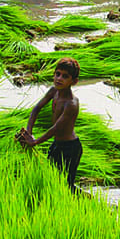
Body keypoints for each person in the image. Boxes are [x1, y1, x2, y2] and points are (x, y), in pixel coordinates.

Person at [17, 57, 83, 191]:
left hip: (70, 148)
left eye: (65, 76)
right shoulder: (54, 91)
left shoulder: (71, 104)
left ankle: (88, 204)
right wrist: (28, 132)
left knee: (66, 186)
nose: (59, 78)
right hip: (57, 145)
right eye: (57, 74)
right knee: (51, 179)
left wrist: (34, 142)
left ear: (74, 81)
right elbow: (36, 109)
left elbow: (56, 128)